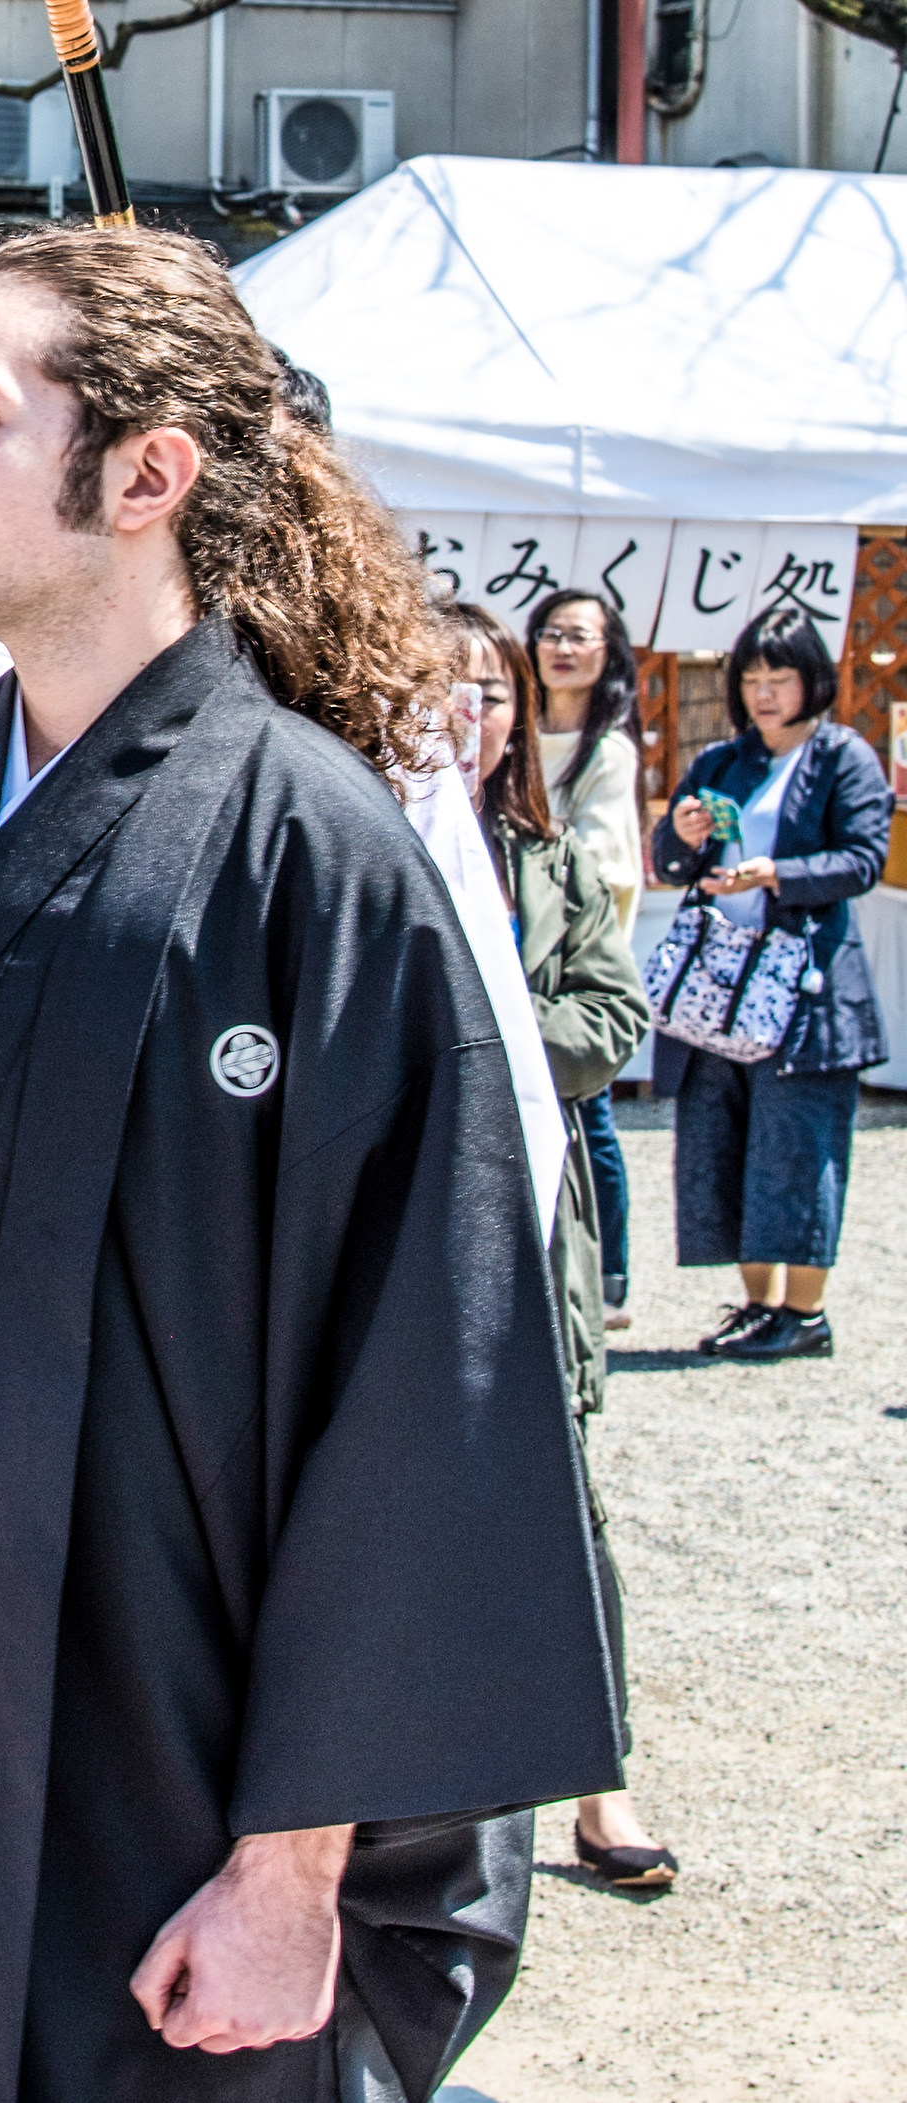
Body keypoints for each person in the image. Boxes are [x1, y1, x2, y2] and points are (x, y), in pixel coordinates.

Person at [0, 226, 619, 2103]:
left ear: (147, 476)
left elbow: (423, 1385)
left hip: (126, 1730)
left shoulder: (312, 856)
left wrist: (299, 1860)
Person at [457, 600, 674, 1892]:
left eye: (492, 690)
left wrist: (489, 1031)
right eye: (448, 686)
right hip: (398, 1214)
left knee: (564, 1500)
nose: (471, 711)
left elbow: (613, 1011)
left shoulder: (552, 862)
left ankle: (600, 1777)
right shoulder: (365, 843)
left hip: (538, 1214)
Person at [653, 603, 889, 1361]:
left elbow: (861, 859)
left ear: (810, 680)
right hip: (722, 983)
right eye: (752, 677)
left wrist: (778, 872)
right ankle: (757, 1302)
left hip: (806, 990)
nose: (764, 692)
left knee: (800, 1141)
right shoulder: (723, 760)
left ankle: (806, 1310)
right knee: (727, 1139)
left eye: (779, 677)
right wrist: (682, 838)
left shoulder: (843, 755)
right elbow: (669, 857)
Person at [527, 587, 645, 1328]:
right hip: (515, 941)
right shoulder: (510, 731)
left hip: (570, 955)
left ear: (608, 654)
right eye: (550, 633)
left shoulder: (609, 748)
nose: (562, 648)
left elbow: (605, 861)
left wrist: (542, 854)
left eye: (579, 636)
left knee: (589, 1119)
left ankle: (610, 1276)